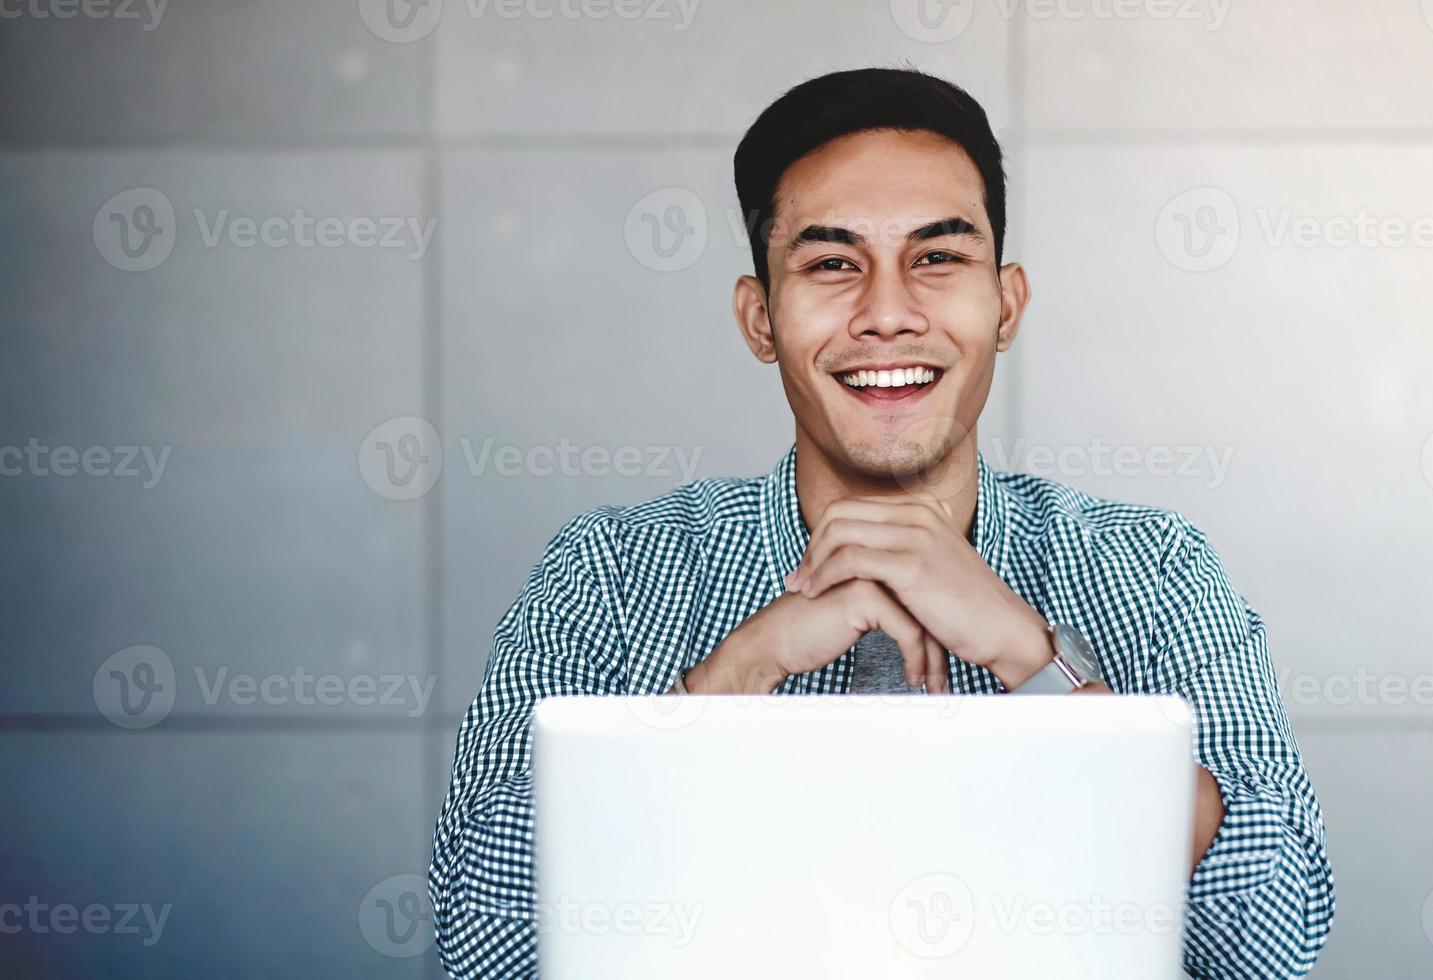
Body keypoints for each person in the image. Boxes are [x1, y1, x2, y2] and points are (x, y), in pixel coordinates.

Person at [430, 66, 1334, 979]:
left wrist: (1033, 657)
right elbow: (484, 940)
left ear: (1007, 304)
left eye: (938, 258)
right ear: (759, 320)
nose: (889, 314)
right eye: (831, 264)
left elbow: (1269, 939)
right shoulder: (612, 573)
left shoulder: (1150, 567)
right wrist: (736, 676)